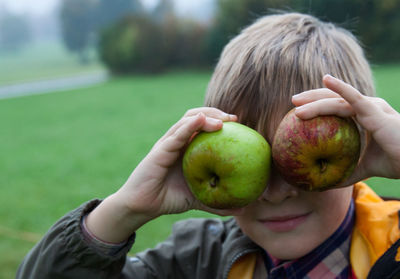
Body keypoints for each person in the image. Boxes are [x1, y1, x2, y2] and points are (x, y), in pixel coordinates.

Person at [17, 12, 400, 279]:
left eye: (292, 164)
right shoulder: (194, 261)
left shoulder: (393, 246)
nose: (276, 192)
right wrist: (124, 209)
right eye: (259, 164)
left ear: (361, 146)